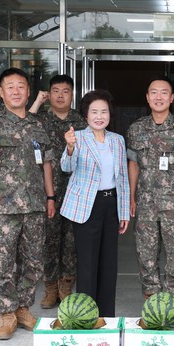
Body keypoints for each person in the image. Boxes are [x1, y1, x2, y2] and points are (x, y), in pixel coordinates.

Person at [0, 68, 55, 340]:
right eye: (10, 87)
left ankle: (23, 309)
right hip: (2, 208)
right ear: (2, 92)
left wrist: (50, 197)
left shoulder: (38, 125)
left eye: (21, 86)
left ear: (28, 92)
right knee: (2, 263)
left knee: (33, 262)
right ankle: (7, 313)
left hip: (34, 206)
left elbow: (46, 163)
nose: (16, 91)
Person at [127, 78, 174, 300]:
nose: (159, 97)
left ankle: (173, 301)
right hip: (145, 203)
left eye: (164, 93)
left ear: (172, 98)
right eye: (154, 93)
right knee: (145, 254)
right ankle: (151, 301)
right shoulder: (136, 128)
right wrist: (131, 196)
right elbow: (133, 164)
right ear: (147, 98)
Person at [60, 90, 130, 317]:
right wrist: (70, 148)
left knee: (109, 264)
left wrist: (124, 211)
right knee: (88, 264)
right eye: (94, 112)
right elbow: (66, 167)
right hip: (87, 206)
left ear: (110, 114)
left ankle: (107, 316)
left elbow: (122, 177)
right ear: (86, 115)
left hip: (111, 204)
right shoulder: (77, 137)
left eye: (104, 112)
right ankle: (86, 315)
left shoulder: (117, 140)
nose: (99, 116)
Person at [28, 75, 87, 309]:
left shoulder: (81, 122)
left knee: (71, 241)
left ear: (72, 95)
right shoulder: (40, 120)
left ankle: (66, 285)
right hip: (46, 190)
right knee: (49, 240)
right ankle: (50, 286)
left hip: (76, 190)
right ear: (49, 94)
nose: (60, 95)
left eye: (65, 91)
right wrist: (37, 102)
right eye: (56, 91)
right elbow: (24, 126)